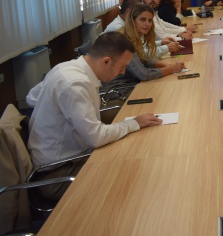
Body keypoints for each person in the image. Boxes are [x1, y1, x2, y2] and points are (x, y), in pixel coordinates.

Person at [27, 32, 162, 200]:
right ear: (106, 61)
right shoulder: (74, 83)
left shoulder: (65, 68)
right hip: (58, 173)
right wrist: (134, 123)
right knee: (131, 177)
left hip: (70, 157)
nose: (122, 72)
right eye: (122, 66)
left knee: (132, 154)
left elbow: (31, 97)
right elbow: (96, 138)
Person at [101, 4, 186, 91]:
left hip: (130, 84)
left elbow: (143, 60)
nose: (147, 24)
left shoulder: (133, 36)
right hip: (118, 90)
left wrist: (165, 65)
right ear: (132, 20)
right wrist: (171, 69)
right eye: (142, 20)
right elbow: (143, 74)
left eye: (150, 20)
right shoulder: (124, 41)